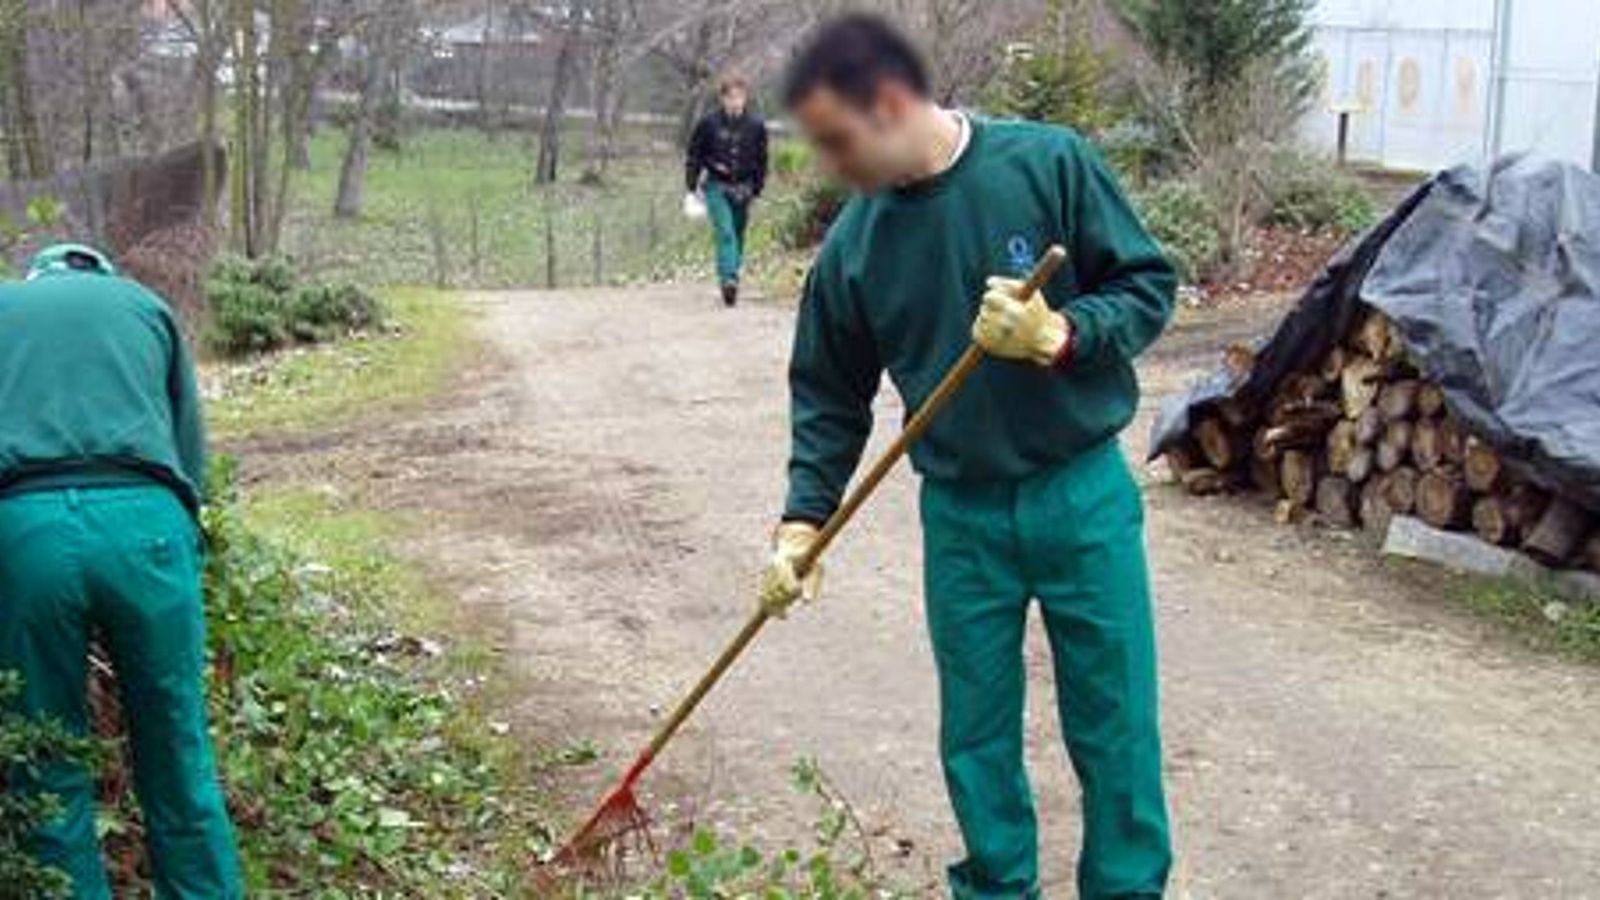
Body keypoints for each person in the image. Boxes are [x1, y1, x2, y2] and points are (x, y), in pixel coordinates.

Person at [756, 15, 1176, 900]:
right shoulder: (856, 243)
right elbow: (829, 394)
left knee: (1116, 720)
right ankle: (994, 887)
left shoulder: (1048, 162)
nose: (840, 167)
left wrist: (1063, 332)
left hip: (1080, 491)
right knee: (976, 731)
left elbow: (1146, 284)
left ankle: (1127, 888)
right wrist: (803, 521)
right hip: (961, 513)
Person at [0, 245, 242, 898]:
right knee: (177, 751)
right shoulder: (145, 305)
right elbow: (189, 450)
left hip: (25, 529)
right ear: (99, 272)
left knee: (47, 759)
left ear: (36, 275)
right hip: (145, 525)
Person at [685, 70, 769, 307]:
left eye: (739, 97)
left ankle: (732, 274)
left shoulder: (756, 126)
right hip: (716, 185)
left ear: (745, 98)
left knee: (739, 234)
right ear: (722, 98)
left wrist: (758, 189)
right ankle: (728, 280)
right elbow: (694, 155)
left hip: (744, 186)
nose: (735, 102)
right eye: (730, 97)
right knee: (726, 232)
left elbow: (762, 160)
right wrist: (691, 187)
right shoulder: (708, 124)